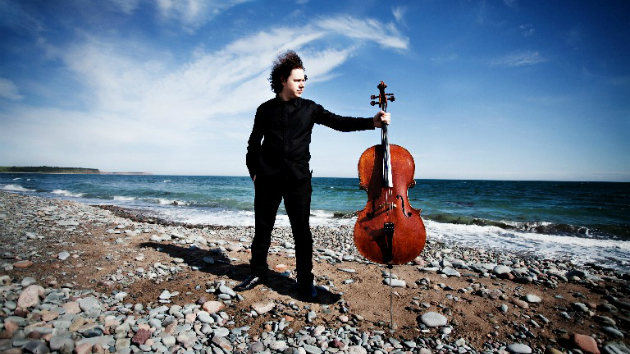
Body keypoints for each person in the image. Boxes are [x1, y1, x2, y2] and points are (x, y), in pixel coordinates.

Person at [236, 50, 390, 301]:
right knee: (263, 229)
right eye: (297, 80)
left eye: (304, 79)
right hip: (268, 180)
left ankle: (305, 282)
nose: (302, 84)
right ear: (283, 80)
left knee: (302, 233)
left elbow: (339, 122)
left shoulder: (310, 109)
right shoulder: (264, 110)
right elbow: (253, 145)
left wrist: (371, 122)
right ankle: (258, 273)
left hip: (298, 181)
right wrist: (255, 174)